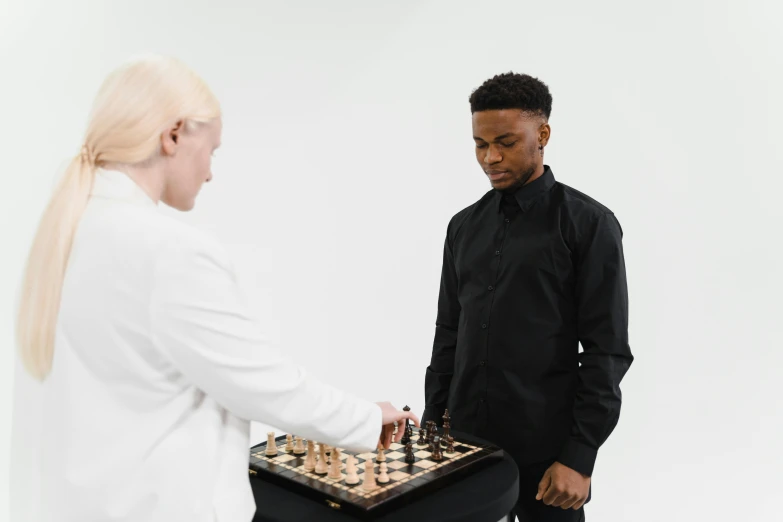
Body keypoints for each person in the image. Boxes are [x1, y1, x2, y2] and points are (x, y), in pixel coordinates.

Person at [14, 55, 418, 522]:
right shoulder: (167, 249)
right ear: (173, 135)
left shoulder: (68, 229)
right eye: (212, 150)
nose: (210, 173)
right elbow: (260, 383)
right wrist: (366, 418)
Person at [421, 72, 633, 522]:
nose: (490, 157)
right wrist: (431, 421)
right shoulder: (463, 227)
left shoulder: (589, 224)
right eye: (480, 144)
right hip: (465, 445)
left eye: (505, 142)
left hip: (548, 453)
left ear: (543, 134)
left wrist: (579, 455)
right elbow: (449, 331)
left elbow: (607, 351)